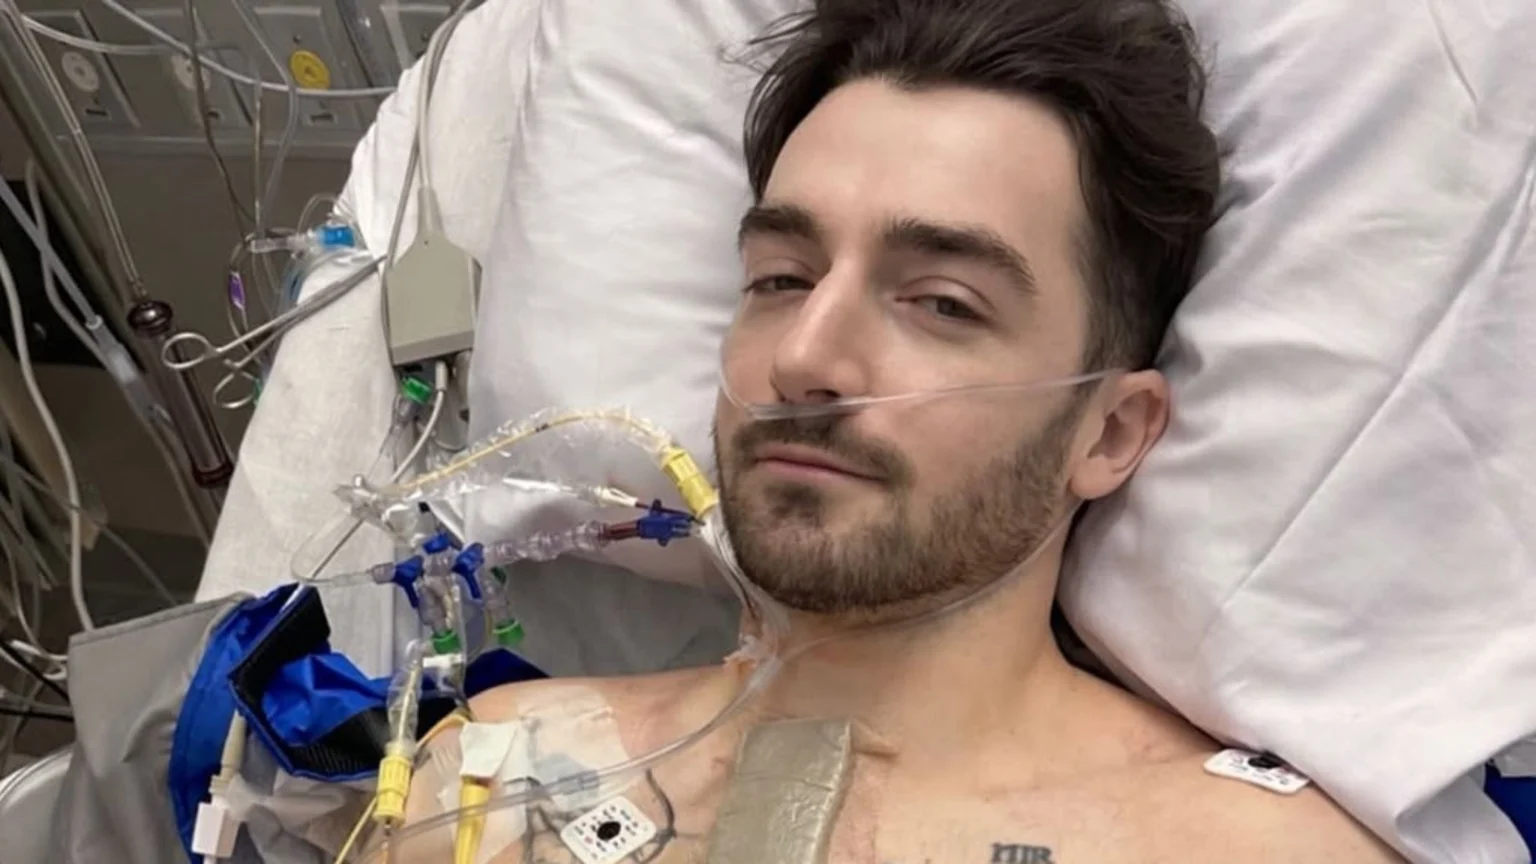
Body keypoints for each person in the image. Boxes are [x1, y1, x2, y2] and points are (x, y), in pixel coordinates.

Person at [398, 0, 1406, 860]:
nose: (804, 358)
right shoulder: (486, 779)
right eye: (780, 280)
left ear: (1108, 434)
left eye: (941, 303)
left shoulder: (1250, 848)